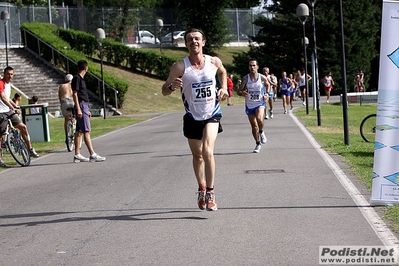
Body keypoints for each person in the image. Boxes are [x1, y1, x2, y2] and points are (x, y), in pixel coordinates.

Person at [162, 28, 228, 211]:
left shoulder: (213, 61)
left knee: (207, 151)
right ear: (186, 44)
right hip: (192, 116)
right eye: (190, 39)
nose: (194, 42)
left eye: (197, 39)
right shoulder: (180, 67)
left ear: (203, 42)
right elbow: (164, 91)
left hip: (212, 113)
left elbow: (223, 72)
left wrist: (223, 88)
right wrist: (171, 86)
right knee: (197, 156)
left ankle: (211, 192)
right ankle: (201, 187)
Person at [0, 66, 39, 167]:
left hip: (8, 110)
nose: (10, 76)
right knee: (0, 136)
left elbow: (8, 99)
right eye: (8, 74)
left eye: (12, 74)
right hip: (1, 112)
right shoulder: (1, 83)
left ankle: (30, 149)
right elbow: (3, 98)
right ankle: (0, 159)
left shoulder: (9, 84)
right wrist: (12, 108)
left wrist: (15, 106)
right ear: (4, 74)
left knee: (23, 127)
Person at [72, 60, 106, 163]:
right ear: (86, 68)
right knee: (87, 131)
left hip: (84, 105)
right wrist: (79, 108)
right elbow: (75, 94)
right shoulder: (77, 78)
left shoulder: (81, 79)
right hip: (81, 105)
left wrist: (87, 109)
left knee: (79, 132)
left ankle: (77, 154)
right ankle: (92, 154)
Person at [237, 59, 269, 153]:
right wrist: (241, 93)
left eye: (254, 65)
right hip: (250, 104)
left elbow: (268, 85)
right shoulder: (245, 79)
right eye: (250, 65)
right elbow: (239, 91)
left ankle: (262, 131)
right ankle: (258, 143)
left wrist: (267, 93)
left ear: (257, 67)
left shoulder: (262, 77)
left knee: (260, 119)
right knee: (254, 126)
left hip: (260, 102)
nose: (252, 67)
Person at [58, 74, 75, 141]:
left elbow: (60, 96)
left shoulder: (61, 86)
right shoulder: (72, 85)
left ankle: (67, 136)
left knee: (66, 119)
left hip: (64, 101)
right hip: (72, 100)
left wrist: (61, 103)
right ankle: (74, 129)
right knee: (74, 117)